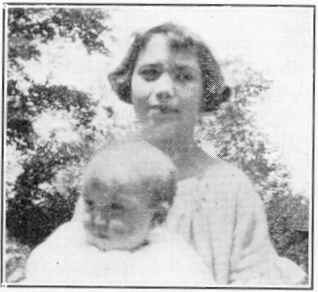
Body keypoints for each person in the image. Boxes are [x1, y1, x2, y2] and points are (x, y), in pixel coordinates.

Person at [108, 22, 306, 286]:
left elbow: (256, 276)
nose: (165, 89)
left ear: (205, 92)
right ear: (129, 85)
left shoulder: (231, 188)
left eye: (184, 76)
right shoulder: (107, 179)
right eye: (150, 73)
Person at [23, 141, 213, 286]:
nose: (97, 219)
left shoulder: (173, 261)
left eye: (115, 208)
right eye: (89, 204)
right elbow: (38, 274)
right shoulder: (68, 241)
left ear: (157, 217)